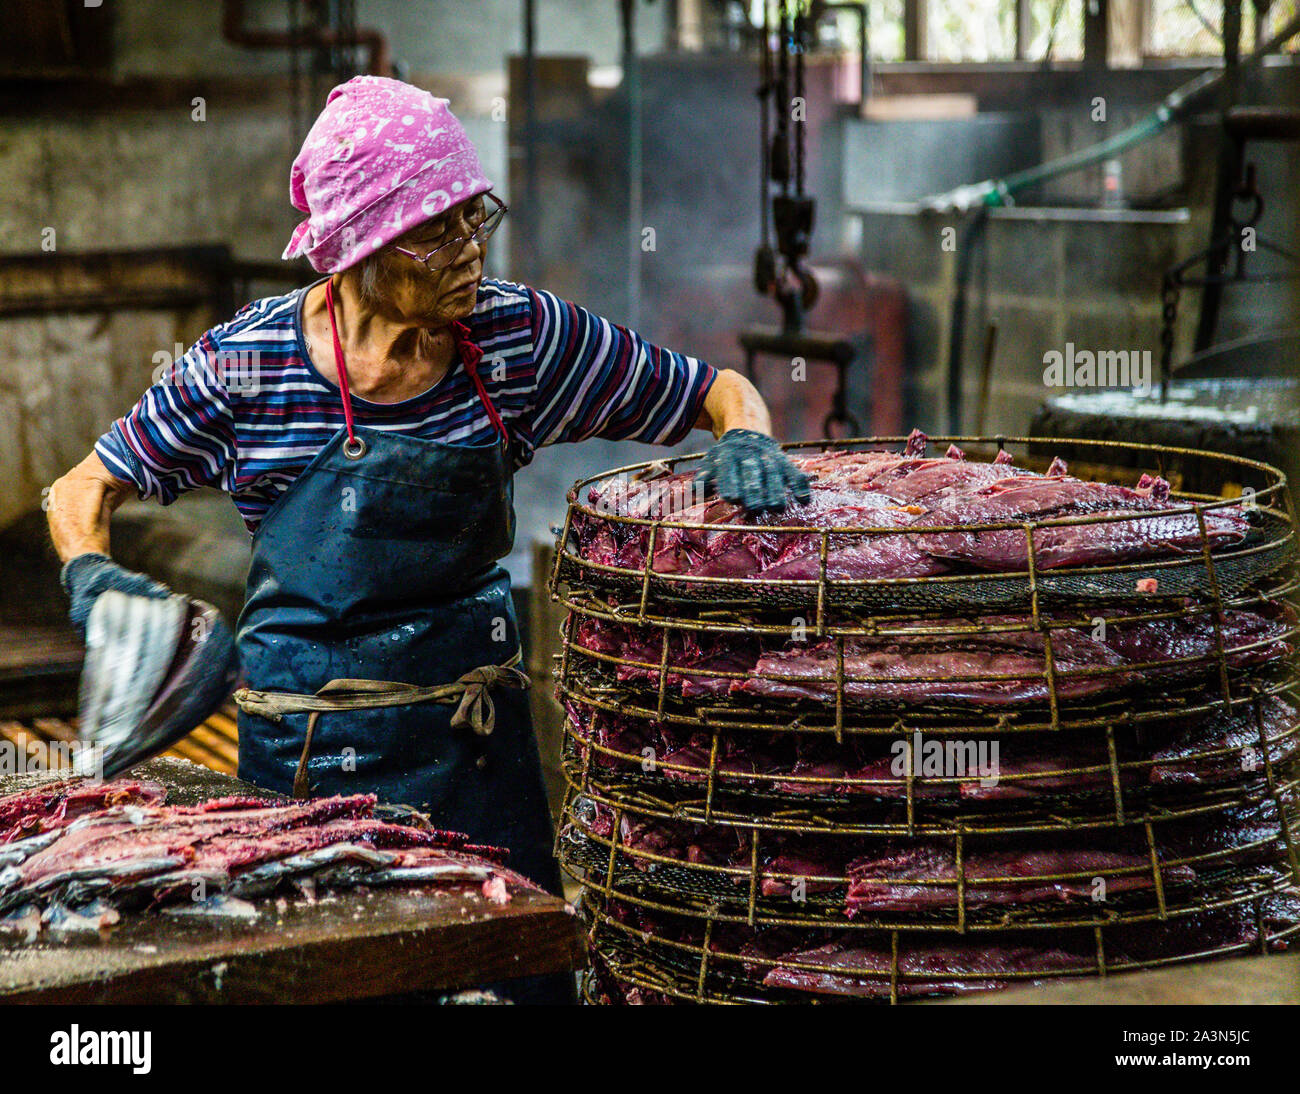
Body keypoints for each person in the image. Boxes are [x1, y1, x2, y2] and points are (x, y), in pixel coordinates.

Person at [46, 77, 809, 999]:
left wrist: (752, 434)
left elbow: (714, 390)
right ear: (360, 245)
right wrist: (94, 575)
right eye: (437, 231)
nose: (470, 249)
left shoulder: (519, 339)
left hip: (475, 755)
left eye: (476, 217)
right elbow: (83, 487)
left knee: (508, 978)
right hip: (307, 776)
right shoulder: (247, 365)